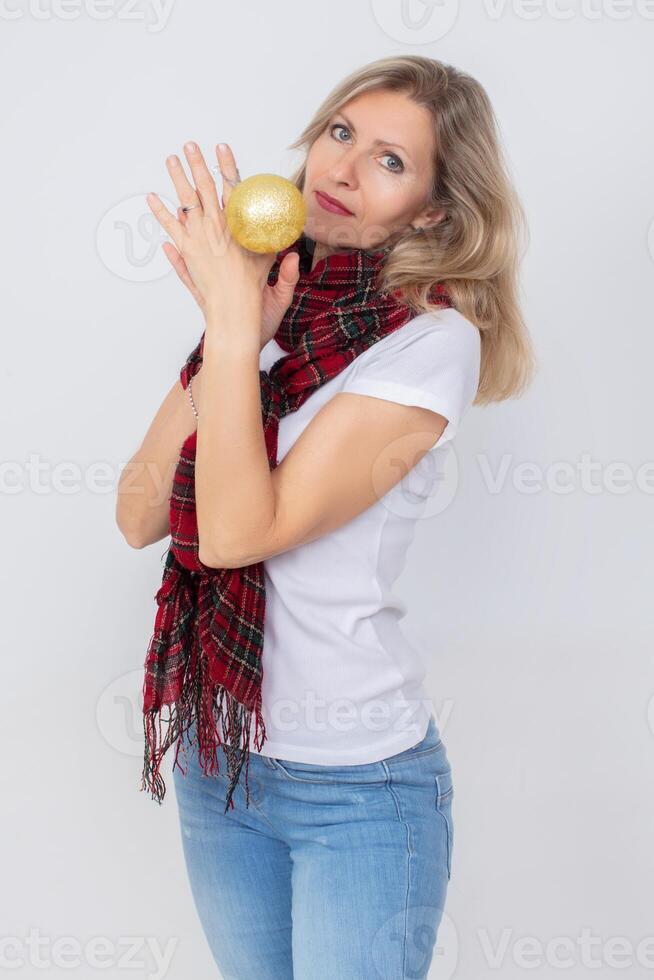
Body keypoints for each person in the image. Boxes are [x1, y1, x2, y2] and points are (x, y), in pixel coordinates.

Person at [117, 54, 535, 980]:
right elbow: (140, 513)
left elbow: (234, 536)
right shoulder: (271, 312)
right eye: (341, 133)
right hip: (220, 763)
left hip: (359, 789)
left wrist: (232, 337)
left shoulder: (431, 344)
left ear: (432, 210)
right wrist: (237, 334)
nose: (340, 169)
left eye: (391, 160)